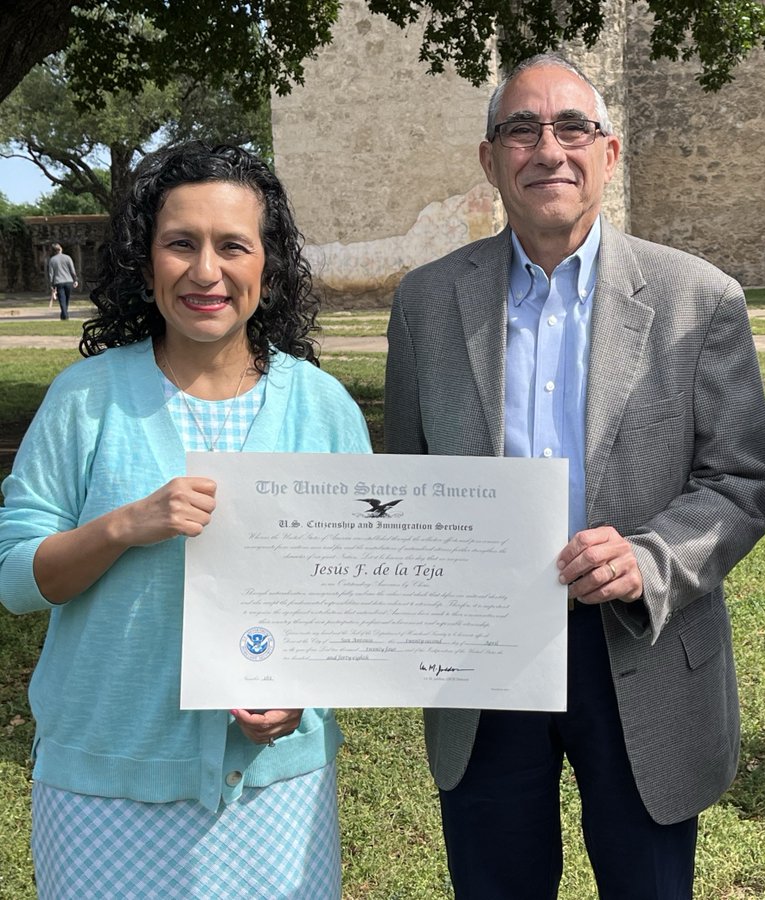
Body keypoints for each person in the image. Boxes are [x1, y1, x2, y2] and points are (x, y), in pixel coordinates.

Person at [385, 53, 765, 899]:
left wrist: (649, 559)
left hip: (641, 647)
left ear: (611, 153)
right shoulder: (424, 303)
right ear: (490, 160)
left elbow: (742, 479)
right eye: (521, 130)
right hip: (484, 662)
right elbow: (405, 481)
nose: (548, 150)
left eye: (573, 128)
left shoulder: (698, 299)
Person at [0, 141, 371, 897]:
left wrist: (299, 690)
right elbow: (16, 578)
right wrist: (122, 526)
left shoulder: (321, 408)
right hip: (105, 789)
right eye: (181, 244)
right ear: (146, 264)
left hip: (274, 797)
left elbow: (351, 594)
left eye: (233, 245)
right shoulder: (86, 400)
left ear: (267, 268)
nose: (207, 271)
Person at [45, 242, 77, 320]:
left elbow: (51, 274)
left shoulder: (52, 260)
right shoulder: (68, 258)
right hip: (68, 281)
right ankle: (64, 315)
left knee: (62, 299)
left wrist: (51, 285)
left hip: (58, 282)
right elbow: (72, 270)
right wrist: (75, 279)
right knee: (66, 299)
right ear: (61, 249)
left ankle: (64, 315)